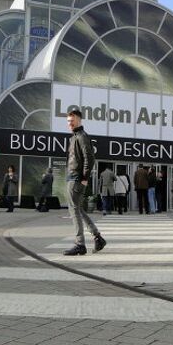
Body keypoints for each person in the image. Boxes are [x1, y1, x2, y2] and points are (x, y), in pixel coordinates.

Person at [63, 109, 106, 256]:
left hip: (76, 178)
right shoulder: (75, 137)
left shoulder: (81, 136)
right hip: (74, 176)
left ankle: (80, 244)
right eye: (68, 121)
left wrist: (84, 178)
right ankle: (97, 237)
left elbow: (90, 158)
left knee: (74, 210)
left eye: (72, 120)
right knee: (78, 209)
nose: (70, 123)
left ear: (79, 120)